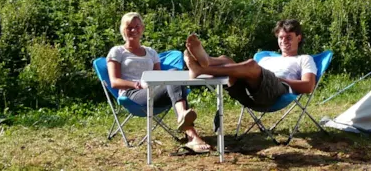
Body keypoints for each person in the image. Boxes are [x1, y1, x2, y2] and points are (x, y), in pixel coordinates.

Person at [107, 12, 211, 153]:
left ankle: (184, 120)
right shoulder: (117, 51)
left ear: (142, 28)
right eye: (129, 27)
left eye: (137, 26)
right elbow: (114, 82)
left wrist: (153, 83)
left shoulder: (151, 52)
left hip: (154, 90)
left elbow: (159, 76)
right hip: (133, 93)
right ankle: (191, 134)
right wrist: (136, 84)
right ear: (123, 30)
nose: (133, 30)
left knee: (174, 75)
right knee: (174, 78)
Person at [184, 19, 317, 109]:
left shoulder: (304, 59)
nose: (284, 41)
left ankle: (202, 69)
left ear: (298, 38)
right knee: (226, 60)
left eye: (289, 38)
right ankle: (206, 60)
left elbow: (308, 86)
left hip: (274, 93)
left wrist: (280, 79)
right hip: (246, 92)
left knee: (252, 65)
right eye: (281, 38)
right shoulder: (267, 58)